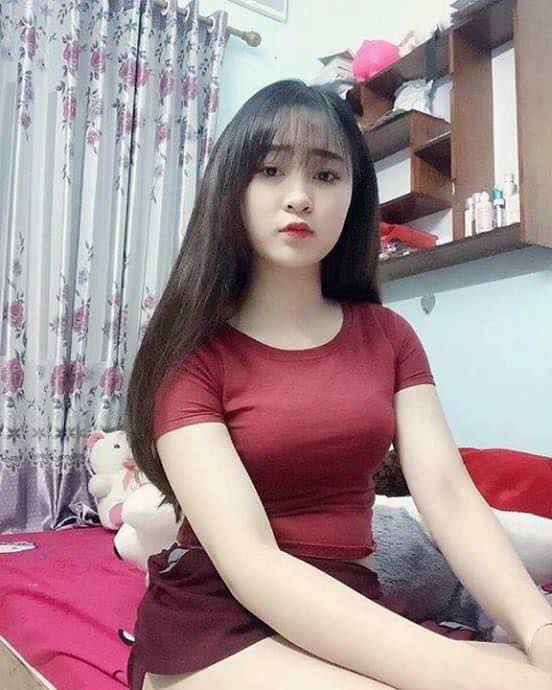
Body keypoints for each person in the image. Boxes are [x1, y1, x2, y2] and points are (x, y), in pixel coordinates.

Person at [123, 79, 552, 690]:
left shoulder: (389, 337)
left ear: (354, 195)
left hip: (350, 606)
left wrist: (537, 629)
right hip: (216, 620)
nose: (299, 197)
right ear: (232, 186)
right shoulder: (192, 355)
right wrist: (463, 670)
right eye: (271, 170)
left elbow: (450, 497)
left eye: (325, 175)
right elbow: (251, 562)